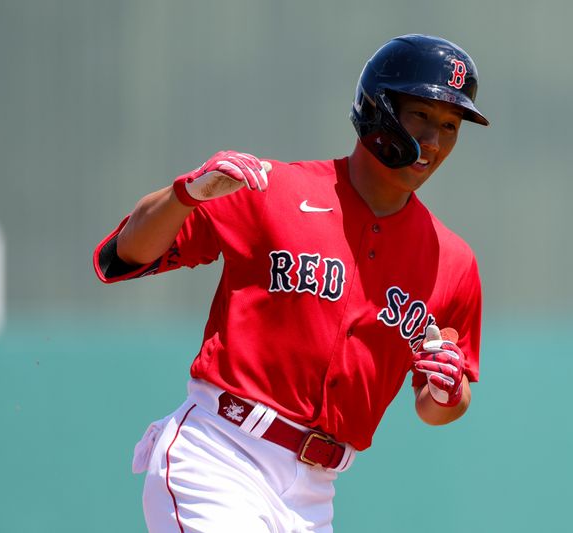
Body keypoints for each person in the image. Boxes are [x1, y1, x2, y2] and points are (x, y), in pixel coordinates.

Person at [93, 33, 488, 533]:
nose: (434, 140)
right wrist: (184, 196)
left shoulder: (451, 262)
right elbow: (122, 257)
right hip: (221, 456)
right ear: (380, 109)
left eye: (451, 125)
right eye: (421, 116)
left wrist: (449, 393)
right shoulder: (272, 191)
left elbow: (434, 406)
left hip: (314, 497)